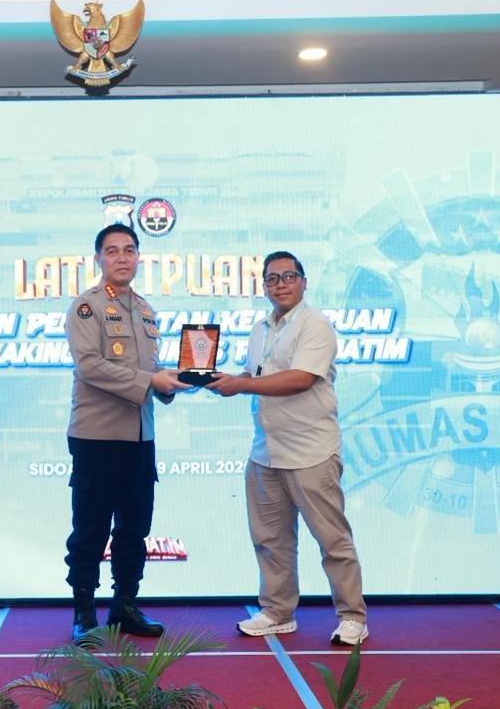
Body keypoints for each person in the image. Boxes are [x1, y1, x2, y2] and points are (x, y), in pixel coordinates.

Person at [207, 251, 368, 646]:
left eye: (288, 276)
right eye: (272, 278)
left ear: (304, 282)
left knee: (332, 540)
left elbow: (300, 379)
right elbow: (257, 375)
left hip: (310, 451)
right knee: (270, 540)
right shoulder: (261, 328)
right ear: (264, 286)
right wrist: (219, 379)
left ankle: (352, 617)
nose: (280, 284)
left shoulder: (316, 325)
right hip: (266, 451)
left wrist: (241, 385)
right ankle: (278, 612)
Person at [64, 224, 183, 641]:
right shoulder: (87, 306)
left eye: (129, 250)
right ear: (98, 258)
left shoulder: (145, 310)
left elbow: (148, 371)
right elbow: (90, 367)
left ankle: (125, 606)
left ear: (138, 258)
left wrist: (172, 382)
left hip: (140, 436)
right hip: (97, 436)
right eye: (112, 251)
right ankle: (84, 613)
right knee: (91, 528)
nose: (121, 257)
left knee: (134, 528)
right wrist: (151, 381)